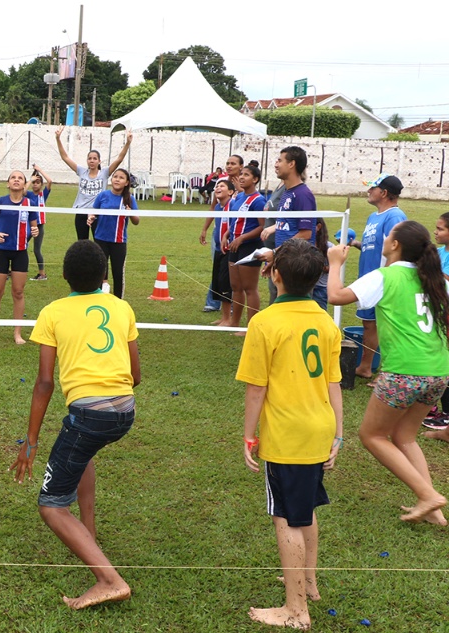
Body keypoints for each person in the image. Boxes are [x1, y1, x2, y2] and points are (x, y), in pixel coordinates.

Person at [10, 239, 140, 610]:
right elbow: (135, 374)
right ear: (104, 275)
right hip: (125, 411)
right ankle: (89, 534)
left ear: (64, 276)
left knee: (51, 506)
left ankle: (109, 580)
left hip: (90, 416)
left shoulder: (52, 312)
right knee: (83, 452)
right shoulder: (121, 307)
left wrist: (30, 441)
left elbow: (45, 382)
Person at [237, 238, 343, 630]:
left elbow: (255, 388)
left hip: (287, 435)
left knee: (287, 518)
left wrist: (249, 435)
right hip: (319, 429)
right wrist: (338, 433)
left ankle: (296, 610)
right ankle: (308, 583)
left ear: (274, 274)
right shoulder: (326, 320)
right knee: (306, 509)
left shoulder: (264, 323)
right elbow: (334, 383)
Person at [328, 221, 449, 524]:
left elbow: (336, 296)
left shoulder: (386, 276)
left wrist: (335, 263)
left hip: (404, 373)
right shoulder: (438, 279)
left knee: (372, 435)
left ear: (395, 245)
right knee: (405, 437)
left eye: (388, 237)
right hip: (438, 371)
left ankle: (428, 495)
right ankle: (434, 511)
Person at [349, 175, 407, 381]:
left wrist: (388, 281)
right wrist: (356, 244)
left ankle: (387, 372)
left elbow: (399, 250)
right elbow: (375, 246)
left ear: (383, 193)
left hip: (383, 283)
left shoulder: (395, 216)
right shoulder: (373, 217)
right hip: (369, 280)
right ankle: (366, 367)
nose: (368, 191)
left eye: (372, 188)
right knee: (369, 324)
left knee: (387, 327)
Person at [0, 170, 40, 344]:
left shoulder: (29, 203)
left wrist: (35, 231)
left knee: (18, 291)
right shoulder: (0, 202)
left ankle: (17, 333)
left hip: (20, 253)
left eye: (20, 178)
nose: (16, 180)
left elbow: (34, 227)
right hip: (1, 251)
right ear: (8, 183)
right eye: (13, 178)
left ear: (24, 185)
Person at [55, 127, 132, 240]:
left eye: (95, 158)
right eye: (89, 158)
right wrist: (58, 138)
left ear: (99, 161)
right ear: (87, 160)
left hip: (97, 213)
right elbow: (65, 157)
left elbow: (119, 159)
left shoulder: (104, 173)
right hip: (81, 211)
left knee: (98, 242)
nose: (92, 160)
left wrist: (128, 142)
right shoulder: (82, 171)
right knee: (82, 242)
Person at [224, 165, 266, 330]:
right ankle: (235, 323)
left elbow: (262, 226)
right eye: (241, 174)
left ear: (255, 179)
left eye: (246, 175)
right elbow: (235, 221)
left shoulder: (258, 200)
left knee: (250, 288)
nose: (241, 177)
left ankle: (251, 327)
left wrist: (242, 238)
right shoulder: (239, 197)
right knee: (236, 286)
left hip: (250, 246)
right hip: (235, 245)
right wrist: (227, 235)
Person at [88, 168, 140, 299]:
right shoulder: (103, 196)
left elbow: (136, 221)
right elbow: (93, 211)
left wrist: (130, 213)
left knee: (117, 273)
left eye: (121, 177)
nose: (117, 179)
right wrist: (91, 217)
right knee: (99, 271)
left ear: (127, 182)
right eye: (115, 176)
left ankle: (118, 301)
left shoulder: (129, 199)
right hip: (100, 239)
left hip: (119, 241)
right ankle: (98, 299)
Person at [424, 211, 449, 430]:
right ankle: (430, 406)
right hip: (436, 315)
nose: (436, 232)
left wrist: (434, 274)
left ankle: (447, 414)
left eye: (440, 228)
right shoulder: (438, 253)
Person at [201, 180, 236, 326]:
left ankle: (229, 319)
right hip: (218, 249)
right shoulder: (217, 207)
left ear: (230, 192)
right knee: (219, 282)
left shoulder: (233, 205)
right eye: (217, 186)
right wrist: (204, 229)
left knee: (226, 283)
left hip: (229, 249)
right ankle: (224, 317)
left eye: (222, 186)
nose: (218, 188)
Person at [27, 164, 52, 281]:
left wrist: (40, 170)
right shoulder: (28, 194)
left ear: (41, 184)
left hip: (39, 226)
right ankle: (14, 269)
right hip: (28, 225)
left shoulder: (43, 195)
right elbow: (22, 190)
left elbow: (50, 181)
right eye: (34, 182)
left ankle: (42, 274)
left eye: (38, 182)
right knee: (19, 246)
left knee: (37, 249)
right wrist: (30, 180)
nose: (35, 184)